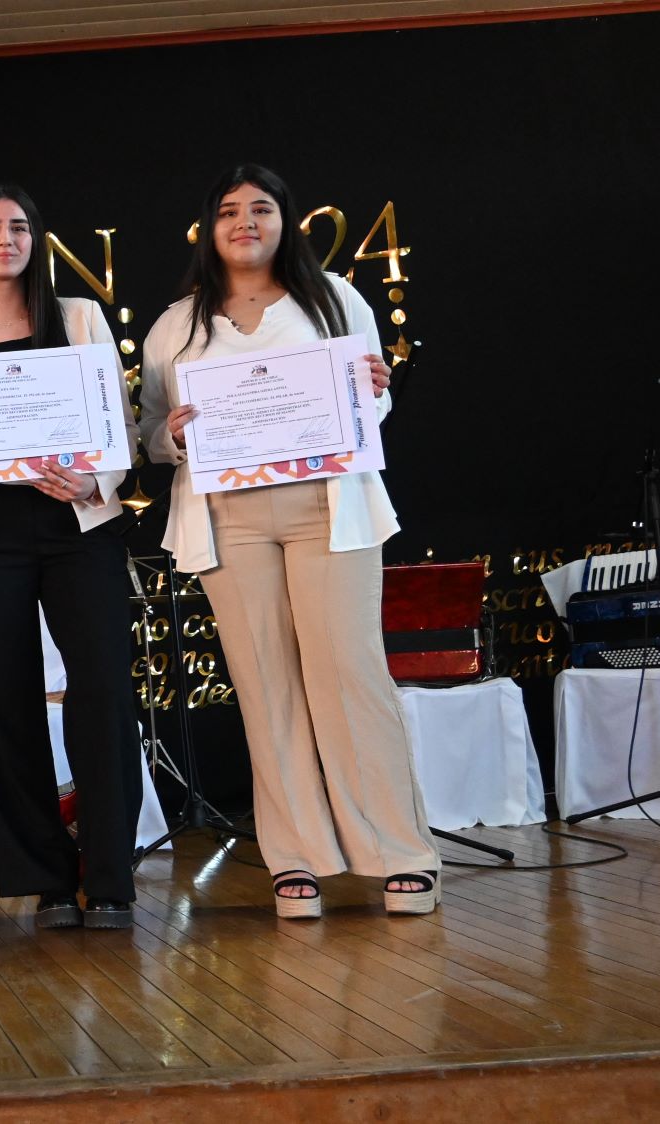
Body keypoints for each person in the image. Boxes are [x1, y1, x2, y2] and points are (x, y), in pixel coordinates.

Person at [137, 164, 438, 918]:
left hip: (328, 508)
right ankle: (295, 859)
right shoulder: (176, 324)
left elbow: (372, 401)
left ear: (284, 221)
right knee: (265, 684)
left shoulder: (335, 298)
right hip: (227, 520)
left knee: (350, 673)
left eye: (261, 209)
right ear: (209, 229)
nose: (245, 222)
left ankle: (401, 853)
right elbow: (150, 433)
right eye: (229, 211)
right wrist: (172, 436)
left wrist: (374, 390)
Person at [0, 185, 143, 929]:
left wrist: (95, 481)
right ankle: (45, 877)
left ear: (34, 241)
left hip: (79, 522)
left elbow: (119, 424)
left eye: (18, 227)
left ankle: (108, 877)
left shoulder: (78, 318)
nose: (5, 238)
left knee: (102, 690)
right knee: (4, 705)